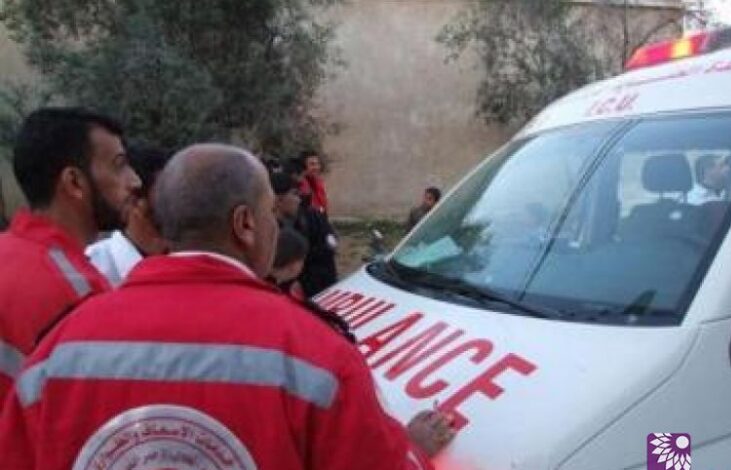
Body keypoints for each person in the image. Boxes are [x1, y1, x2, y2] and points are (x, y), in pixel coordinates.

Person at [0, 143, 455, 470]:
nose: (277, 227)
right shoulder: (317, 356)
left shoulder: (56, 352)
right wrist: (411, 449)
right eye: (270, 214)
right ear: (245, 224)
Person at [0, 107, 140, 401]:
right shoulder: (77, 292)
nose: (134, 181)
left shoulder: (9, 252)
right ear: (74, 182)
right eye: (119, 165)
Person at [86, 143, 172, 286]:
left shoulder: (190, 262)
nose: (178, 201)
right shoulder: (93, 268)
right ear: (135, 201)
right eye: (167, 192)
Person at [272, 170, 338, 297]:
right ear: (278, 200)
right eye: (294, 194)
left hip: (320, 292)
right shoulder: (266, 230)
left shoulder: (313, 218)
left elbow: (328, 251)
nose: (299, 200)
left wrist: (304, 284)